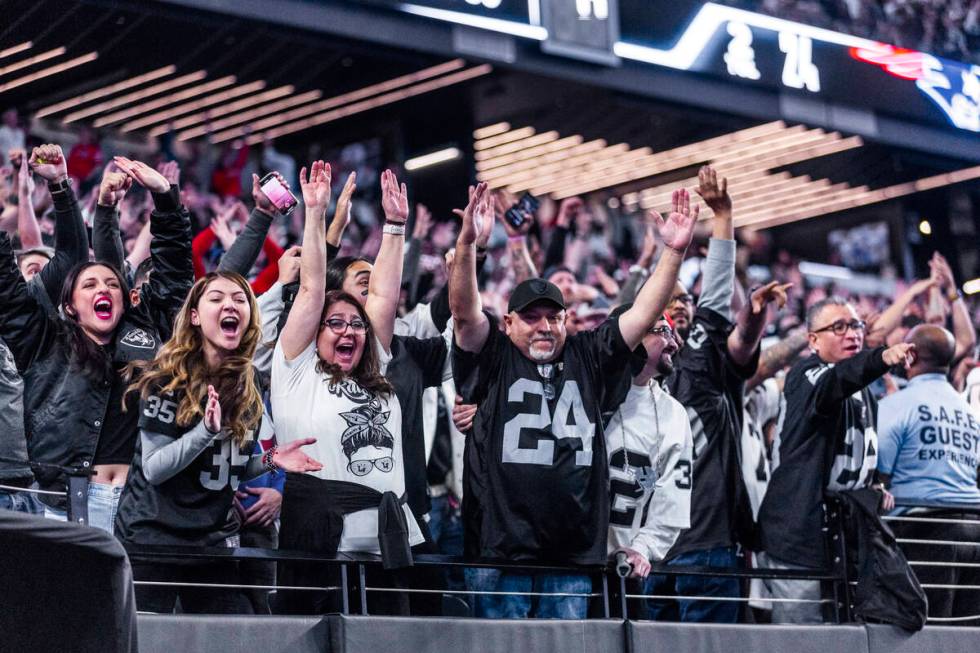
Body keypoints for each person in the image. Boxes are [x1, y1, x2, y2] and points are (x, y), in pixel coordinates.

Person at [450, 182, 696, 619]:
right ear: (507, 322)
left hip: (574, 553)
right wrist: (468, 243)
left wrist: (672, 255)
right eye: (531, 317)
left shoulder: (588, 355)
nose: (544, 326)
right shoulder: (495, 354)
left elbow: (639, 316)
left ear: (567, 320)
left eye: (553, 316)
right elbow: (465, 313)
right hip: (498, 549)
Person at [271, 163, 448, 615]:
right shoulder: (297, 367)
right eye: (335, 323)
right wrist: (315, 213)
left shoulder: (379, 372)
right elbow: (312, 288)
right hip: (319, 543)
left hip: (385, 545)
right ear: (313, 332)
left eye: (356, 324)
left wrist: (395, 227)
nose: (349, 330)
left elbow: (384, 299)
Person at [0, 155, 194, 533]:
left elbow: (173, 279)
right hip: (59, 502)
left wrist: (165, 198)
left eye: (110, 284)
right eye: (89, 285)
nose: (103, 288)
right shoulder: (43, 340)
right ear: (70, 306)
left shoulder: (148, 334)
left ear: (125, 299)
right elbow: (6, 291)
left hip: (137, 505)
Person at [115, 271, 322, 613]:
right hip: (152, 540)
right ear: (195, 316)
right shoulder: (168, 377)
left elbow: (225, 464)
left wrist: (271, 460)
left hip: (209, 542)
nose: (230, 304)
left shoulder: (249, 380)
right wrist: (204, 432)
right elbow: (154, 469)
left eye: (240, 299)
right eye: (217, 298)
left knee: (232, 632)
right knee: (147, 639)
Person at [647, 166, 785, 624]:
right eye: (669, 299)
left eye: (685, 300)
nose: (681, 305)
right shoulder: (619, 369)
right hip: (646, 548)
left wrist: (722, 218)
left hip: (706, 542)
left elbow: (723, 308)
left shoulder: (703, 363)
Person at [758, 296, 915, 623]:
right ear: (812, 340)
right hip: (799, 536)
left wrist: (871, 488)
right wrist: (881, 357)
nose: (852, 334)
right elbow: (835, 382)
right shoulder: (807, 374)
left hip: (842, 539)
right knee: (803, 641)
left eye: (856, 325)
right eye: (838, 327)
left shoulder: (865, 391)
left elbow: (857, 457)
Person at [877, 324, 980, 624]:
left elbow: (880, 477)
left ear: (910, 354)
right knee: (968, 633)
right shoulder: (969, 412)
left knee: (927, 631)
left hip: (925, 530)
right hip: (974, 529)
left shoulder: (896, 405)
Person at [605, 311, 693, 616]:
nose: (672, 343)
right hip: (569, 564)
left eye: (671, 333)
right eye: (661, 332)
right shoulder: (585, 388)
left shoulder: (673, 413)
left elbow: (672, 501)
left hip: (626, 569)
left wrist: (642, 548)